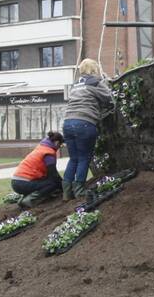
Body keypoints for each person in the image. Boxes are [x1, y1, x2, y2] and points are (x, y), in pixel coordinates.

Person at [61, 58, 114, 200]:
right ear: (94, 69)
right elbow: (109, 99)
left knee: (73, 158)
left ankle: (66, 192)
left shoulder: (75, 85)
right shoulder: (95, 82)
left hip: (67, 123)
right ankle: (79, 190)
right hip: (85, 122)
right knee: (84, 158)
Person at [10, 131, 65, 208]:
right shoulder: (48, 153)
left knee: (46, 182)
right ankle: (29, 200)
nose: (59, 147)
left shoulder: (41, 147)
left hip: (16, 181)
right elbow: (53, 174)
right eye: (60, 145)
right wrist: (64, 187)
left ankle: (22, 200)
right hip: (23, 183)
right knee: (52, 184)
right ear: (56, 142)